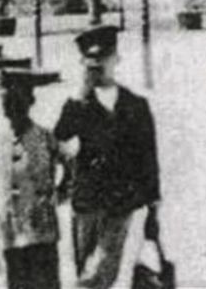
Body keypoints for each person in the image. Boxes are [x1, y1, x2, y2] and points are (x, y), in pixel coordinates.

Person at [53, 25, 160, 289]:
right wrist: (80, 95)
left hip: (120, 199)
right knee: (86, 268)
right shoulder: (79, 103)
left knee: (98, 271)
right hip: (86, 198)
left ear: (116, 59)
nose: (99, 65)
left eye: (105, 58)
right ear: (83, 63)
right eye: (92, 61)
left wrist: (153, 201)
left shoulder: (136, 105)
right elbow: (61, 135)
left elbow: (148, 155)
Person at [0, 65, 61, 289]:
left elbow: (72, 168)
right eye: (5, 102)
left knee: (45, 279)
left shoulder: (44, 137)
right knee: (16, 280)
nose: (11, 108)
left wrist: (57, 196)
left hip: (41, 227)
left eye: (17, 101)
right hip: (10, 229)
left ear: (30, 101)